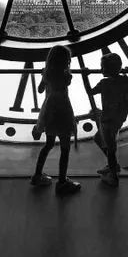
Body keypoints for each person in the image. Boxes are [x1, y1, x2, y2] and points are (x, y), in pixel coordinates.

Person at [30, 45, 81, 195]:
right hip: (63, 113)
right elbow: (64, 87)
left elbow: (40, 89)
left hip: (49, 112)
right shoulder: (66, 76)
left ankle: (37, 175)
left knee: (48, 144)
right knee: (65, 149)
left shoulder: (46, 73)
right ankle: (62, 181)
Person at [89, 52, 128, 186]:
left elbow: (90, 92)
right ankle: (112, 166)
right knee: (107, 144)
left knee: (108, 146)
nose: (100, 69)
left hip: (107, 119)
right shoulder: (125, 80)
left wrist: (85, 76)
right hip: (119, 118)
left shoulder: (103, 83)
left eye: (102, 67)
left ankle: (113, 174)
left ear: (107, 69)